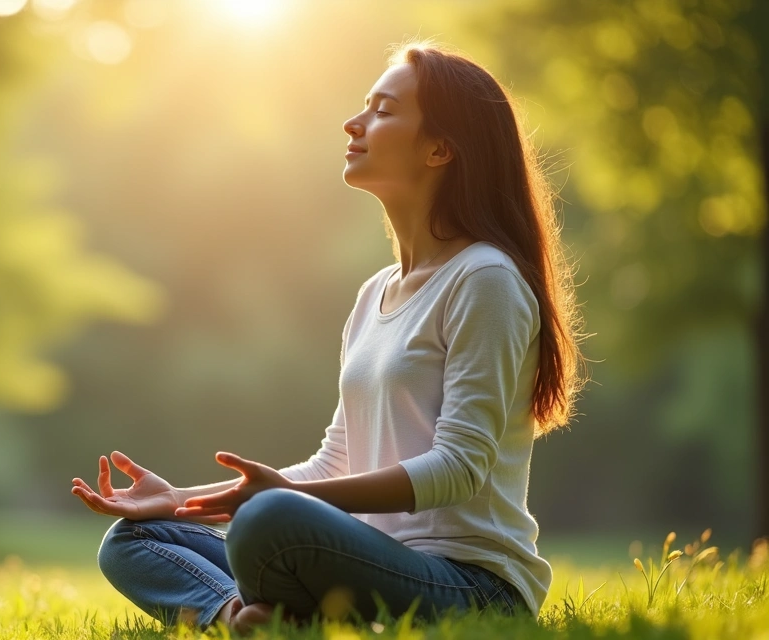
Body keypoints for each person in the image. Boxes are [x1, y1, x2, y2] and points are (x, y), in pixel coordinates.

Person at [70, 39, 585, 634]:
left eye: (384, 110)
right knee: (136, 538)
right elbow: (336, 459)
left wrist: (277, 502)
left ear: (441, 148)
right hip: (365, 561)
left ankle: (275, 611)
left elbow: (459, 468)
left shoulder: (484, 279)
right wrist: (183, 498)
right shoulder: (377, 293)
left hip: (469, 586)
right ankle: (243, 615)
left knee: (270, 521)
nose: (354, 121)